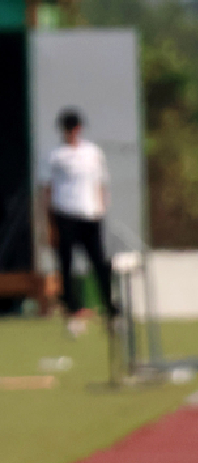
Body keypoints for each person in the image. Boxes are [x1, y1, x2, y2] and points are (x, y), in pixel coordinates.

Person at [41, 108, 117, 336]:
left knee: (100, 263)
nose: (70, 133)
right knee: (66, 265)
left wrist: (102, 209)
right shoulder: (55, 155)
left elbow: (101, 183)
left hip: (90, 215)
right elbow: (46, 190)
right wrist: (47, 224)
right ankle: (72, 311)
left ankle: (110, 309)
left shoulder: (93, 153)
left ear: (79, 129)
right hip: (64, 214)